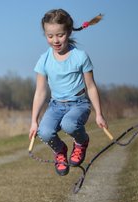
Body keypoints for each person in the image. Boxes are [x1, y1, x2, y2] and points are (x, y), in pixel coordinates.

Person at [29, 9, 107, 176]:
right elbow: (40, 92)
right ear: (45, 35)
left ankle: (81, 141)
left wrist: (99, 114)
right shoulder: (44, 60)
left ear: (69, 32)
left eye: (60, 35)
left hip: (79, 104)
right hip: (56, 106)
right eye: (50, 36)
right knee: (45, 132)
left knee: (69, 124)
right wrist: (34, 121)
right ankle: (60, 151)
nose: (55, 40)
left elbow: (91, 86)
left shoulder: (80, 57)